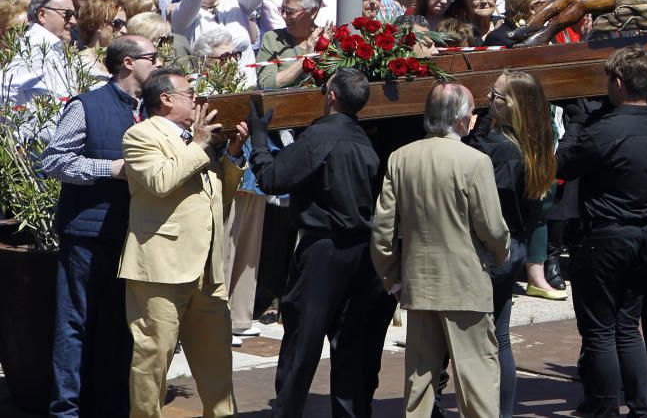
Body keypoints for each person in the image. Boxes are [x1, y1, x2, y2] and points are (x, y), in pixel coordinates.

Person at [247, 68, 394, 417]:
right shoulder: (364, 141)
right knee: (351, 346)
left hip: (324, 253)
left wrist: (258, 141)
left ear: (330, 96)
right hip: (363, 254)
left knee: (303, 343)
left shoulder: (321, 137)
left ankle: (287, 412)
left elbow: (272, 179)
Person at [371, 82, 510, 418]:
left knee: (418, 385)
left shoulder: (401, 158)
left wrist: (391, 276)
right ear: (462, 120)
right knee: (476, 382)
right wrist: (501, 254)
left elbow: (381, 230)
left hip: (418, 285)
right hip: (465, 285)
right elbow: (492, 228)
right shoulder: (475, 161)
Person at [41, 36, 162, 418]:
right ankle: (67, 409)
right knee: (74, 322)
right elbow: (54, 161)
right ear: (128, 62)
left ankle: (110, 404)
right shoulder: (87, 106)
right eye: (152, 58)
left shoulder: (154, 111)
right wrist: (109, 169)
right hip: (87, 235)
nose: (158, 64)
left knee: (122, 324)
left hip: (136, 236)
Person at [118, 67, 249, 418]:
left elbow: (217, 201)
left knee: (217, 360)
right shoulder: (140, 135)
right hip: (160, 267)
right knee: (154, 359)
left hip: (207, 267)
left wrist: (233, 155)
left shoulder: (197, 138)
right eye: (191, 95)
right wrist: (200, 143)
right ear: (165, 99)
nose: (198, 101)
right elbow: (161, 181)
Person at [556, 45, 647, 418]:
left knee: (600, 331)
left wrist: (575, 122)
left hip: (605, 238)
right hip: (645, 236)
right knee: (627, 327)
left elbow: (561, 165)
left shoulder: (603, 132)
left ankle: (606, 409)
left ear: (619, 83)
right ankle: (640, 409)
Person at [465, 70, 557, 418]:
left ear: (515, 106)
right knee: (499, 335)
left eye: (497, 96)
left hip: (493, 250)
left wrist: (472, 133)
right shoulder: (532, 142)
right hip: (512, 244)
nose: (489, 100)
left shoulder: (502, 151)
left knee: (478, 339)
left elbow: (485, 202)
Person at [1, 0, 77, 105]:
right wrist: (26, 119)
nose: (73, 21)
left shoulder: (50, 45)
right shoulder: (35, 46)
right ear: (42, 15)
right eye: (67, 14)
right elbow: (4, 87)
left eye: (74, 14)